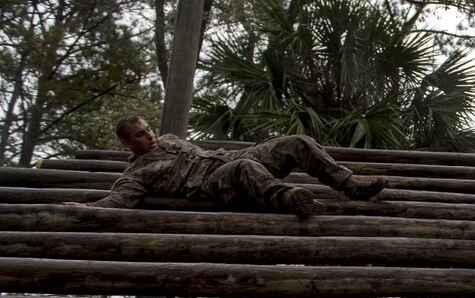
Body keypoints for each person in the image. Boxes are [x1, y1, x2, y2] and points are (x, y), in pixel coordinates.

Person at [76, 116, 386, 215]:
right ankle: (291, 199)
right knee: (244, 171)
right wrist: (87, 209)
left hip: (233, 157)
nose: (150, 136)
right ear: (128, 144)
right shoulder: (135, 174)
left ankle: (351, 186)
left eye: (148, 129)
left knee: (296, 141)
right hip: (215, 183)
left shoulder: (169, 138)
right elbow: (118, 202)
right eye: (140, 135)